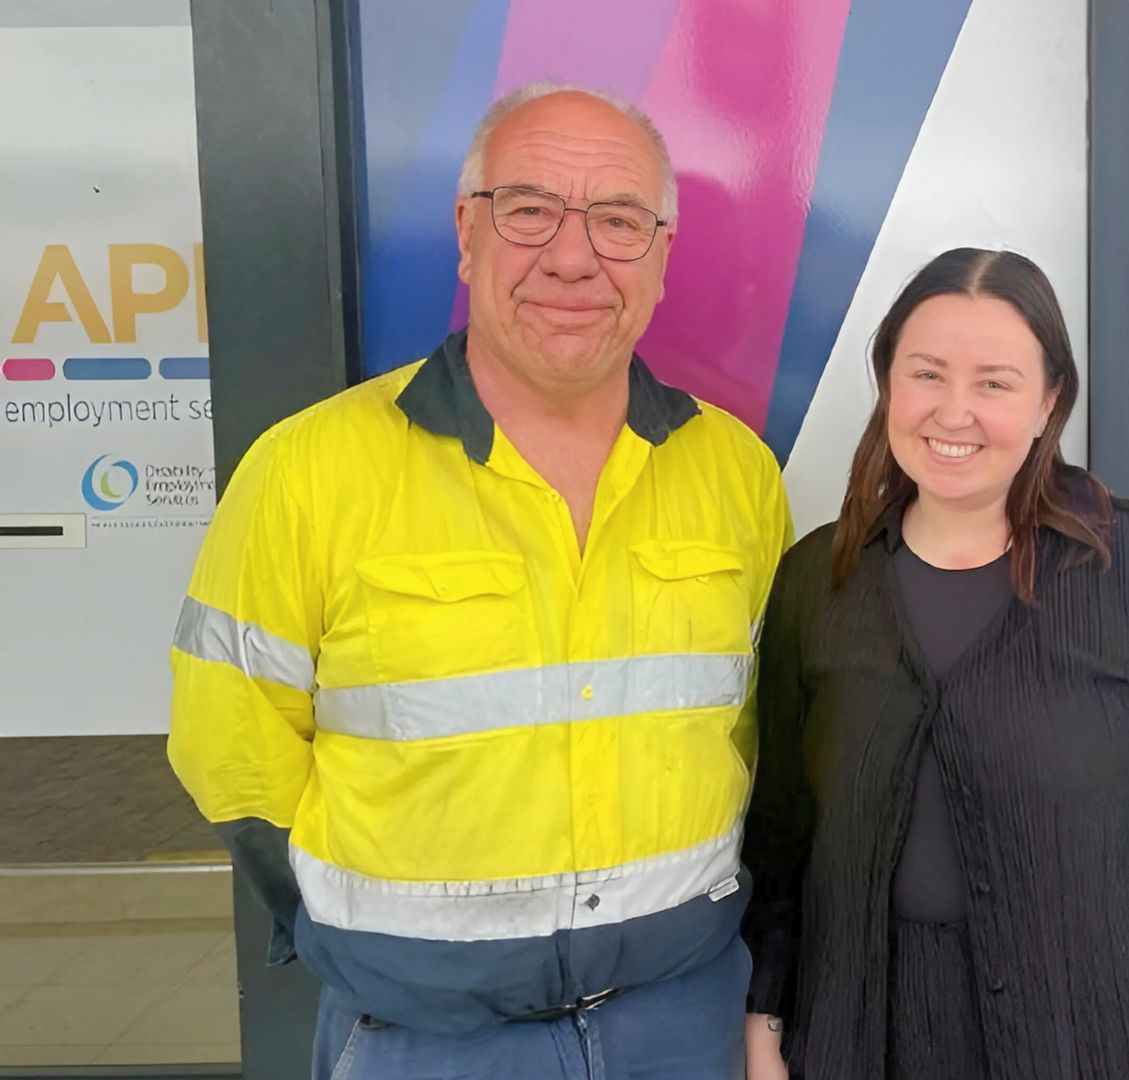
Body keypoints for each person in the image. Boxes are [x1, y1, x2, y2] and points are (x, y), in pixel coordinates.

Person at [168, 83, 790, 1079]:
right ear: (468, 232)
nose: (575, 256)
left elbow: (760, 737)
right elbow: (229, 746)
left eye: (619, 220)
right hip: (424, 1040)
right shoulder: (309, 471)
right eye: (530, 208)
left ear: (663, 257)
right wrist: (366, 935)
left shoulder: (736, 475)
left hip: (685, 1024)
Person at [739, 248, 1129, 1079]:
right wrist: (765, 1016)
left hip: (1090, 1036)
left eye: (993, 383)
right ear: (890, 384)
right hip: (859, 1035)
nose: (952, 413)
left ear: (1049, 402)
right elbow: (783, 833)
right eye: (926, 374)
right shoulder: (820, 580)